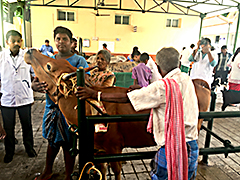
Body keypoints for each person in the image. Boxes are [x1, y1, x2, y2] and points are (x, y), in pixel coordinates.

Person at [75, 47, 199, 180]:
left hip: (173, 148)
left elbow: (128, 98)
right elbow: (165, 90)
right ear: (179, 63)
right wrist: (146, 89)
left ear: (156, 66)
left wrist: (95, 94)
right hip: (193, 145)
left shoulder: (162, 87)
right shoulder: (186, 79)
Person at [32, 26, 90, 180]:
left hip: (71, 111)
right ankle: (48, 171)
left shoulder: (79, 61)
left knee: (69, 144)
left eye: (65, 39)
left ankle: (68, 175)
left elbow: (87, 82)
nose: (61, 42)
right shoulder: (49, 60)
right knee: (52, 142)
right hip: (52, 109)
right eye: (58, 39)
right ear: (54, 42)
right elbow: (38, 80)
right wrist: (34, 86)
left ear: (72, 42)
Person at [0, 30, 37, 163]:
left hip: (24, 96)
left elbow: (35, 73)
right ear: (7, 42)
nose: (16, 43)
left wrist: (33, 84)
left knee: (27, 124)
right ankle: (9, 152)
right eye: (13, 41)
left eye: (18, 41)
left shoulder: (27, 56)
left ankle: (29, 148)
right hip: (7, 98)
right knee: (8, 127)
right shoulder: (1, 57)